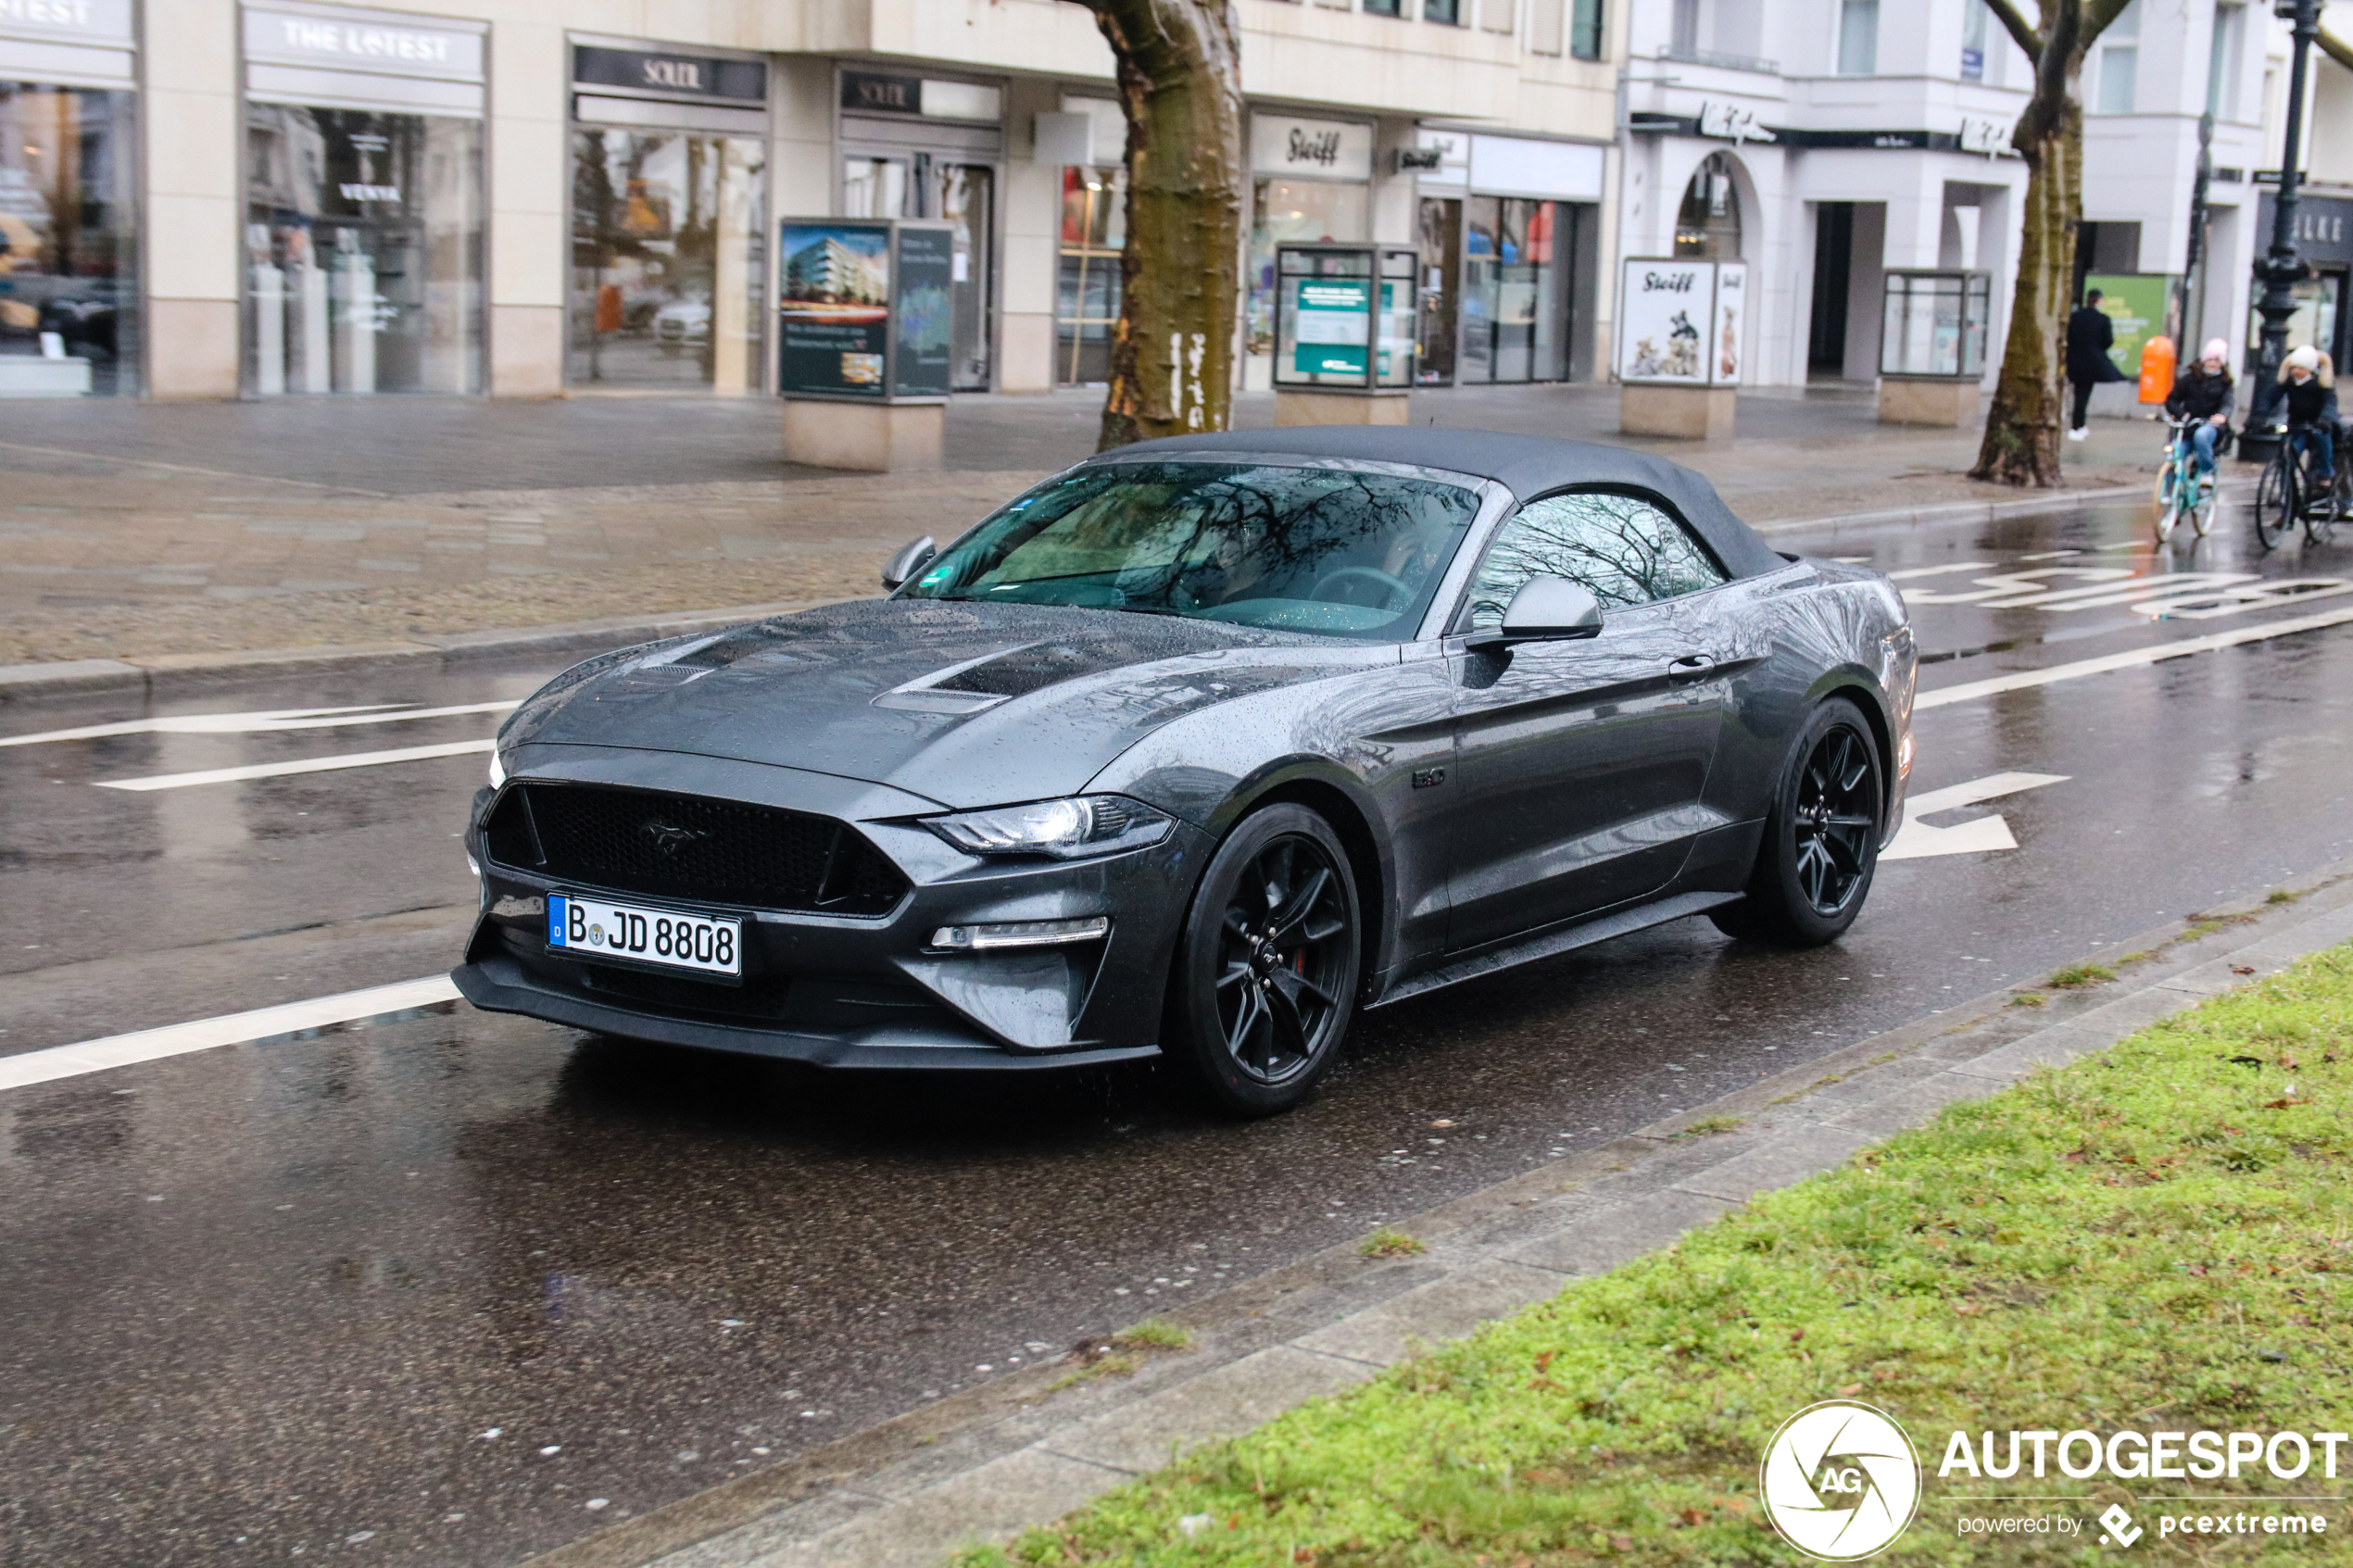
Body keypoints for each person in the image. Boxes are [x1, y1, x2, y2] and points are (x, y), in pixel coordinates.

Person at [2163, 337, 2236, 480]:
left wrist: (2222, 415)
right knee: (2175, 455)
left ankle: (2207, 471)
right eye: (2210, 359)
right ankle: (2168, 494)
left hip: (2212, 426)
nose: (2213, 364)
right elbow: (2172, 400)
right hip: (2189, 426)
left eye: (2217, 360)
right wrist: (2182, 414)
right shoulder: (2189, 379)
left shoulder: (2225, 383)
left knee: (2202, 436)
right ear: (2204, 360)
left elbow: (2228, 403)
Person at [2065, 289, 2125, 440]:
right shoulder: (2103, 319)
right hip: (2092, 363)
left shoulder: (2075, 317)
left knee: (2079, 393)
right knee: (2083, 394)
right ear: (2099, 301)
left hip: (2074, 361)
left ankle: (2079, 424)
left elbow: (2068, 336)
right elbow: (2108, 341)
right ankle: (2077, 426)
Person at [2279, 345, 2339, 490]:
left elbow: (2330, 403)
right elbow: (2271, 397)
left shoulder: (2321, 384)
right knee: (2289, 456)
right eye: (2294, 368)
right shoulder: (2290, 383)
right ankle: (2285, 493)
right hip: (2298, 426)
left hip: (2316, 425)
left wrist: (2325, 419)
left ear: (2309, 369)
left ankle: (2325, 474)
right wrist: (2261, 414)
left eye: (2300, 368)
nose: (2296, 371)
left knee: (2322, 439)